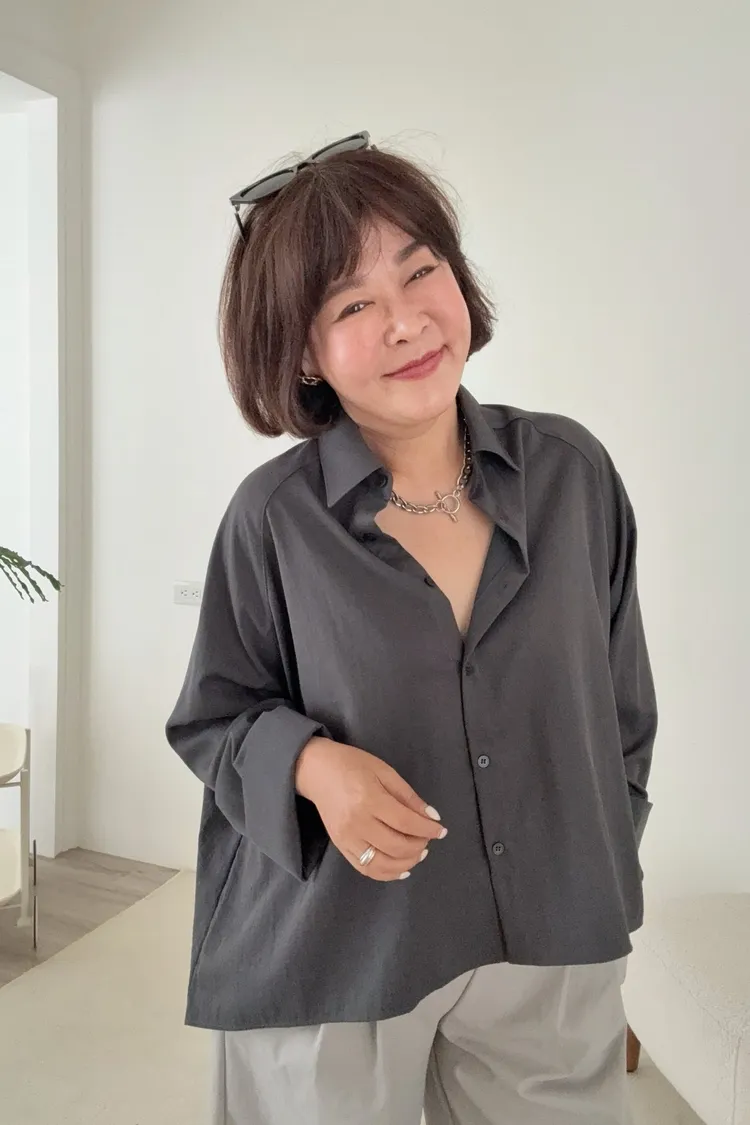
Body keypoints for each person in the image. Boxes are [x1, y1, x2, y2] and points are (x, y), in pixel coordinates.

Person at [166, 131, 657, 1125]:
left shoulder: (573, 475)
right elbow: (213, 719)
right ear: (303, 351)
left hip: (550, 943)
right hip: (341, 949)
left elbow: (621, 707)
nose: (405, 321)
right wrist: (314, 766)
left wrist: (600, 857)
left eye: (420, 270)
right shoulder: (273, 520)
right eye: (352, 305)